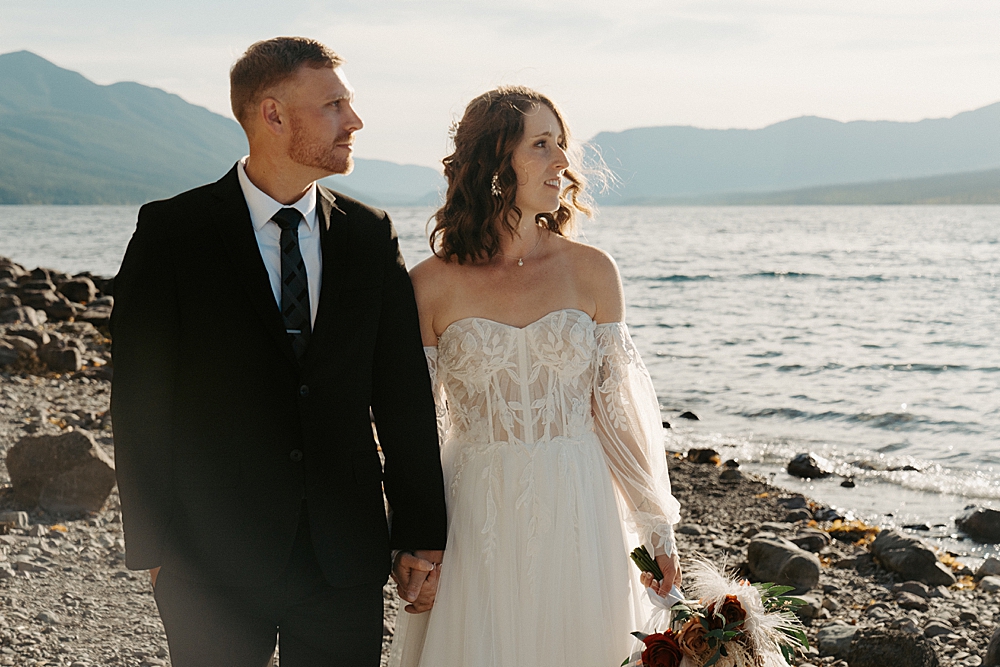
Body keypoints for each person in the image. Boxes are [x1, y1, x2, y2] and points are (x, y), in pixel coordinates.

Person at [110, 36, 447, 667]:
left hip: (341, 555)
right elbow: (137, 397)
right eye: (334, 106)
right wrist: (151, 547)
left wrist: (422, 534)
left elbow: (400, 393)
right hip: (207, 559)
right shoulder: (173, 232)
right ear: (272, 114)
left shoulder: (369, 237)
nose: (355, 121)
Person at [388, 86, 682, 666]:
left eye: (561, 145)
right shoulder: (429, 284)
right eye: (542, 145)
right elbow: (411, 427)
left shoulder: (593, 272)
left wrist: (655, 525)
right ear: (497, 159)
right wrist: (413, 541)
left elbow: (615, 413)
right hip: (475, 511)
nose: (562, 163)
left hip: (581, 506)